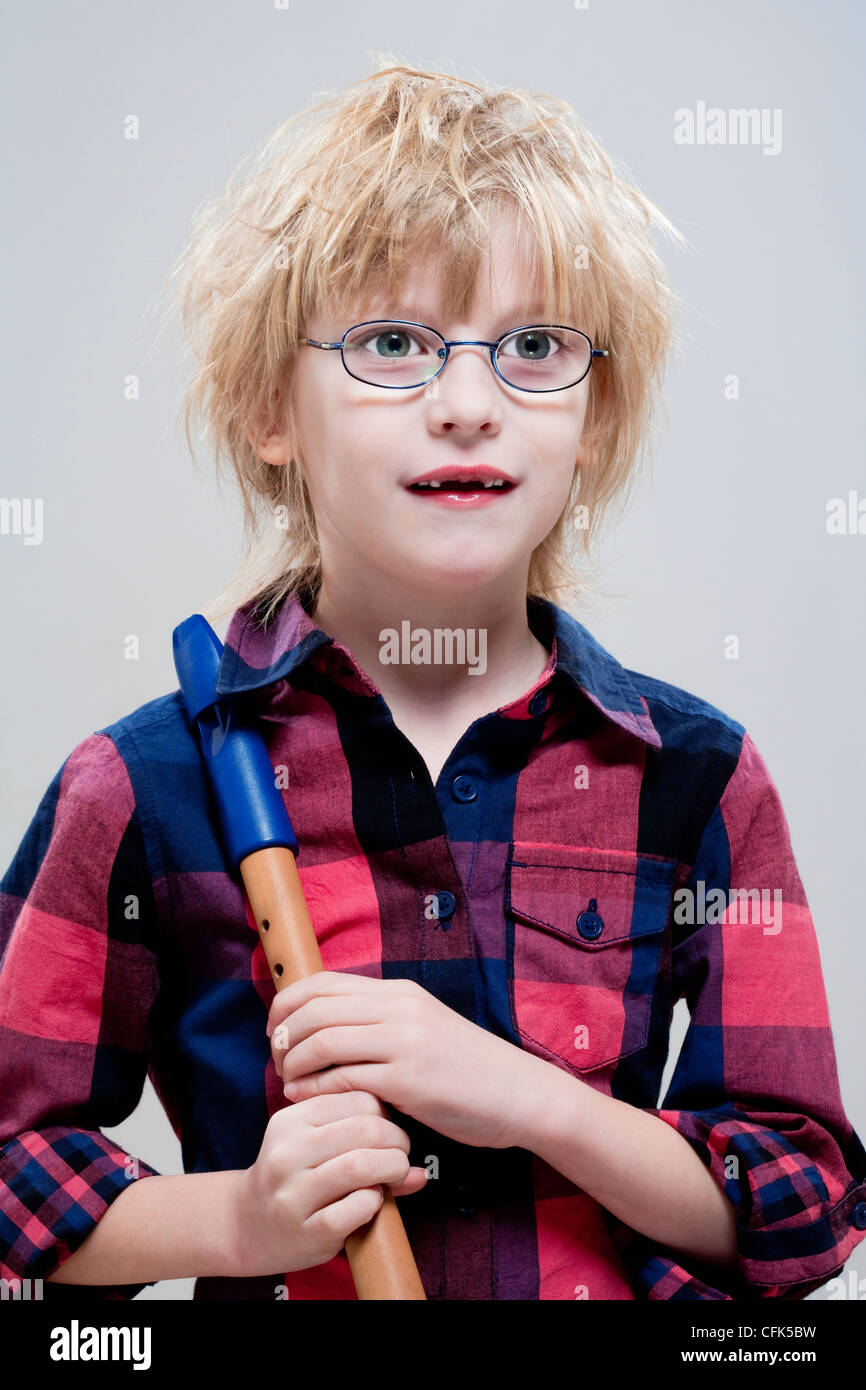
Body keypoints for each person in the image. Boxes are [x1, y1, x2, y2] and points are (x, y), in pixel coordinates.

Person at [1, 58, 864, 1303]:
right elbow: (15, 1173)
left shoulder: (699, 778)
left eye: (530, 346)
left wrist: (528, 1100)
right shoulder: (139, 783)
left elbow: (797, 1206)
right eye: (392, 343)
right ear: (267, 408)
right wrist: (238, 1224)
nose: (467, 404)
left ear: (595, 416)